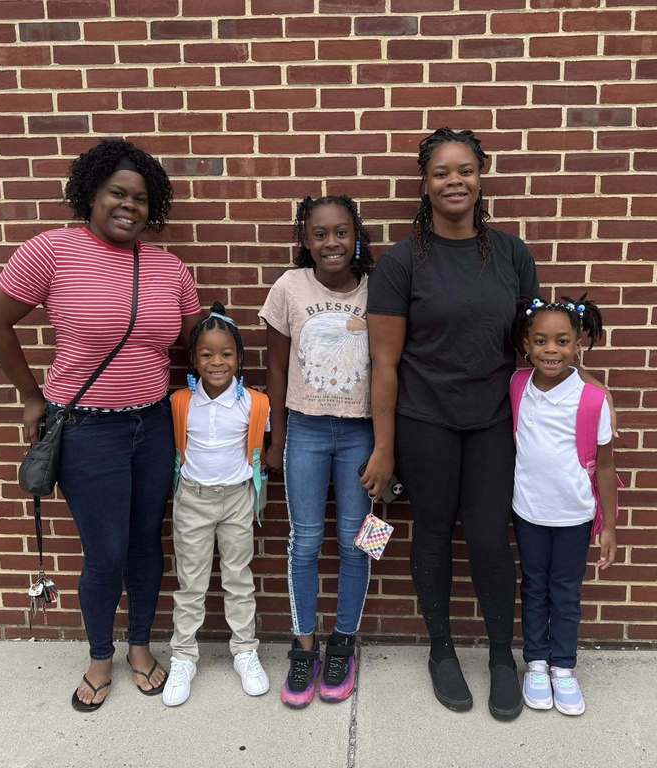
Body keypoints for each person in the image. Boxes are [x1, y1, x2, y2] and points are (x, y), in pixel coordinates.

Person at [0, 138, 201, 712]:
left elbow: (199, 338)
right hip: (87, 430)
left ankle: (141, 648)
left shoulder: (169, 267)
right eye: (116, 193)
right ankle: (101, 656)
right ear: (91, 195)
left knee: (148, 544)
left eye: (141, 199)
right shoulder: (51, 251)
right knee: (106, 550)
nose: (129, 206)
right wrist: (31, 396)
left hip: (152, 425)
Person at [365, 127, 539, 721]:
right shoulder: (401, 261)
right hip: (423, 420)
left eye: (464, 169)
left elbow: (531, 346)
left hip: (491, 420)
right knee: (433, 534)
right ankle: (441, 649)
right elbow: (384, 364)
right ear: (425, 183)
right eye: (441, 172)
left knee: (491, 536)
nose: (454, 181)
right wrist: (384, 448)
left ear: (481, 175)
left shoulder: (512, 254)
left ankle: (497, 655)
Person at [259, 195, 376, 708]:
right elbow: (277, 371)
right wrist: (277, 437)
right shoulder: (289, 288)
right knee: (304, 543)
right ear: (305, 240)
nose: (332, 242)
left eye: (342, 232)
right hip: (304, 430)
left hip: (360, 433)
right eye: (320, 233)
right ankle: (304, 645)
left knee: (357, 543)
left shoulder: (379, 290)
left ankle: (343, 644)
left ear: (357, 236)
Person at [509, 294, 618, 717]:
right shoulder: (517, 385)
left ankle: (564, 666)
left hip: (574, 514)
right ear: (526, 344)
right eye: (540, 341)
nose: (550, 350)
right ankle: (536, 662)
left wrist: (608, 524)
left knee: (566, 593)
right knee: (534, 587)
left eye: (561, 341)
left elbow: (606, 468)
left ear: (578, 345)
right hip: (528, 511)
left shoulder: (592, 400)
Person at [161, 303, 271, 706]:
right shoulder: (180, 402)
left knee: (238, 578)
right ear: (193, 359)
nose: (217, 362)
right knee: (191, 582)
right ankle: (184, 656)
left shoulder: (255, 404)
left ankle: (245, 650)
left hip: (238, 499)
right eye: (206, 354)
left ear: (240, 358)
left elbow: (262, 449)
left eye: (226, 354)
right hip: (193, 499)